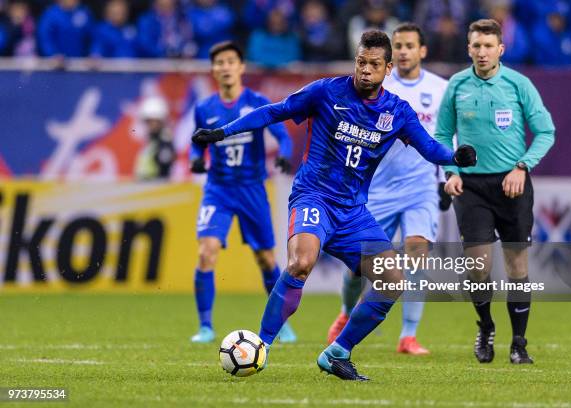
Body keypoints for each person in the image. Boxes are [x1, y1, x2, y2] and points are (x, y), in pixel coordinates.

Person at [192, 30, 477, 380]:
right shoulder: (325, 91)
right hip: (314, 197)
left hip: (353, 211)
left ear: (388, 68)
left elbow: (429, 149)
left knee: (391, 279)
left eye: (374, 64)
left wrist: (455, 157)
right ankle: (261, 346)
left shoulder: (397, 111)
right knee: (301, 262)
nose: (365, 70)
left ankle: (338, 352)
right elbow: (272, 112)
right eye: (361, 62)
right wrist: (222, 133)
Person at [326, 22, 450, 356]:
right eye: (400, 45)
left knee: (416, 250)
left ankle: (408, 335)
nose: (405, 50)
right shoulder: (375, 85)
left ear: (422, 50)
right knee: (359, 265)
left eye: (411, 44)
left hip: (421, 185)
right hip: (377, 187)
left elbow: (448, 136)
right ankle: (344, 312)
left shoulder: (441, 89)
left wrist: (447, 177)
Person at [436, 19, 555, 364]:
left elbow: (546, 131)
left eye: (489, 46)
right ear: (468, 49)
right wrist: (452, 170)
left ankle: (519, 343)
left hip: (512, 184)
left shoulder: (519, 84)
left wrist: (522, 166)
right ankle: (486, 327)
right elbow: (443, 135)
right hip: (471, 187)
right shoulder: (457, 85)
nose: (483, 52)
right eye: (477, 46)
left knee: (517, 266)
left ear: (500, 49)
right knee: (477, 265)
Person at [189, 41, 296, 344]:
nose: (225, 67)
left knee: (265, 258)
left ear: (241, 67)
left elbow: (281, 134)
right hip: (218, 190)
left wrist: (285, 153)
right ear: (213, 69)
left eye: (230, 61)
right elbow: (197, 141)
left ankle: (280, 324)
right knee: (205, 251)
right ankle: (206, 327)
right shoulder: (204, 108)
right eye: (219, 62)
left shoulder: (256, 101)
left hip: (252, 189)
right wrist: (195, 159)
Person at [134, 96, 176, 180]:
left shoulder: (164, 142)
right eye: (148, 121)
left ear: (162, 121)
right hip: (145, 186)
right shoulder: (151, 140)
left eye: (154, 121)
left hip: (155, 186)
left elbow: (164, 169)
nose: (151, 125)